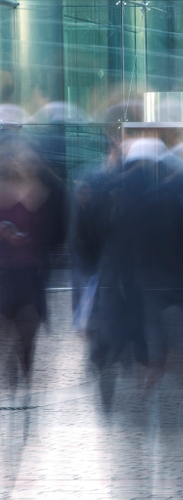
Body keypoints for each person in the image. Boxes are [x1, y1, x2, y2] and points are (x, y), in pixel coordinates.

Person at [0, 135, 67, 398]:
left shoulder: (49, 192)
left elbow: (58, 232)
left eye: (28, 158)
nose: (22, 162)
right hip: (3, 272)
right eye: (16, 156)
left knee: (29, 328)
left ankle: (24, 371)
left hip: (33, 273)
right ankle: (11, 373)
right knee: (5, 327)